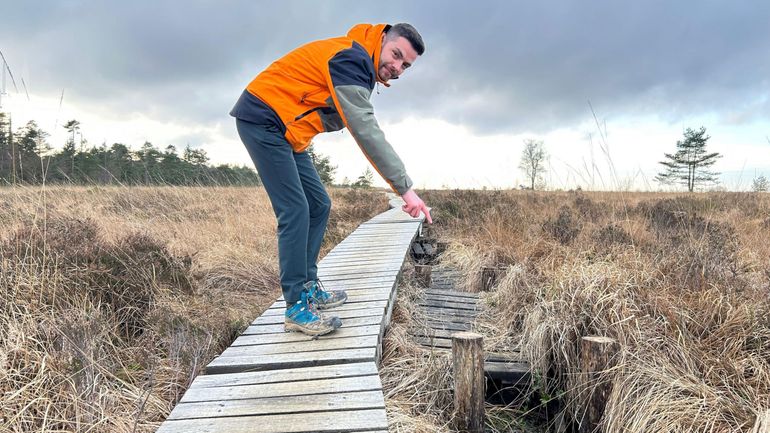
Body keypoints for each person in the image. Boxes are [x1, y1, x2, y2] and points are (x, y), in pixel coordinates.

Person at [230, 23, 433, 336]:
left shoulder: (359, 64)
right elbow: (364, 129)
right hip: (264, 120)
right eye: (395, 55)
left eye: (405, 65)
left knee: (319, 204)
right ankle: (296, 306)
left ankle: (309, 287)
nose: (397, 68)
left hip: (289, 133)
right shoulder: (351, 60)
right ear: (382, 40)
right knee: (295, 210)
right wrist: (405, 189)